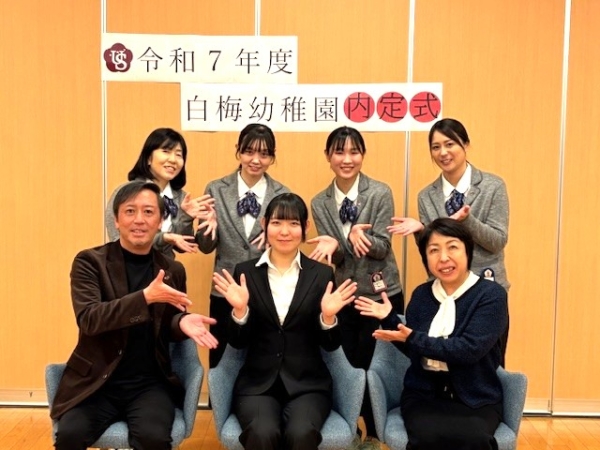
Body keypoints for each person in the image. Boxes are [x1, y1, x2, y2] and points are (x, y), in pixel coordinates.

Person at [51, 180, 218, 450]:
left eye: (148, 212)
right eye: (130, 211)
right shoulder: (90, 262)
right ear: (116, 220)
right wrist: (144, 298)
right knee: (70, 435)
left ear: (161, 221)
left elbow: (167, 326)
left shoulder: (172, 270)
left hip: (149, 383)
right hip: (96, 382)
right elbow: (90, 319)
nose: (139, 220)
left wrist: (181, 322)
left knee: (154, 439)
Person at [212, 193, 358, 450]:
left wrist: (328, 317)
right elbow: (237, 342)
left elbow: (331, 345)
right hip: (257, 385)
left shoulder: (322, 274)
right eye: (277, 222)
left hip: (309, 384)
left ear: (305, 227)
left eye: (293, 223)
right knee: (262, 432)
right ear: (264, 224)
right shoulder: (245, 273)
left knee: (301, 434)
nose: (284, 231)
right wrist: (240, 311)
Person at [355, 218, 508, 450]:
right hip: (424, 396)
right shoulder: (422, 295)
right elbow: (416, 349)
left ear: (468, 251)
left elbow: (469, 350)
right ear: (426, 258)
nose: (443, 258)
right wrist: (390, 319)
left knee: (473, 439)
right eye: (434, 250)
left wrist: (411, 338)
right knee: (428, 437)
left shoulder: (491, 295)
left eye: (452, 247)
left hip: (476, 397)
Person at [308, 126, 403, 450]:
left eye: (354, 152)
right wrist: (335, 248)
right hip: (345, 294)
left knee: (378, 365)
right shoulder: (320, 202)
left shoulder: (379, 192)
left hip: (381, 293)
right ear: (328, 156)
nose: (347, 159)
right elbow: (334, 257)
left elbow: (383, 246)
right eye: (339, 152)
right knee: (347, 364)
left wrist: (358, 239)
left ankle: (376, 432)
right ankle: (351, 429)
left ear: (363, 155)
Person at [388, 118, 510, 366]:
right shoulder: (426, 195)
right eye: (436, 147)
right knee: (438, 362)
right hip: (444, 294)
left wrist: (467, 220)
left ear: (465, 144)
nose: (443, 152)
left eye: (450, 144)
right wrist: (422, 232)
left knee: (485, 366)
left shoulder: (492, 186)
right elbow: (434, 251)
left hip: (484, 292)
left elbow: (497, 241)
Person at [196, 123, 289, 368]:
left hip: (267, 290)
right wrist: (206, 228)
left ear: (272, 157)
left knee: (262, 361)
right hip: (225, 289)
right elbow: (205, 247)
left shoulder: (282, 194)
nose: (256, 160)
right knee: (222, 361)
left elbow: (289, 244)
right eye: (249, 152)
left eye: (264, 154)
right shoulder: (216, 189)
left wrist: (275, 238)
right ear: (238, 150)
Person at [105, 127, 214, 258]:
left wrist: (186, 218)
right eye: (166, 151)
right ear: (148, 158)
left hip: (165, 268)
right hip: (127, 266)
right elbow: (117, 238)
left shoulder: (181, 198)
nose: (173, 160)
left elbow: (183, 246)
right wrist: (163, 238)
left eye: (179, 155)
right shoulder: (125, 192)